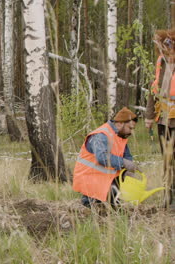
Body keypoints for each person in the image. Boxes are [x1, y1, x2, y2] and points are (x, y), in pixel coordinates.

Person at [73, 107, 139, 208]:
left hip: (106, 182)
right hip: (91, 181)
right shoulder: (101, 135)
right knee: (92, 210)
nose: (131, 132)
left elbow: (126, 155)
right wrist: (124, 163)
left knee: (114, 209)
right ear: (120, 123)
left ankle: (111, 203)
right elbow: (102, 158)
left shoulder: (121, 136)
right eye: (130, 128)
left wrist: (127, 170)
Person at [144, 29, 175, 208]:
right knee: (167, 159)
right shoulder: (160, 63)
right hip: (163, 119)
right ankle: (168, 196)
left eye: (167, 47)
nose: (164, 50)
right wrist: (149, 116)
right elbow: (153, 90)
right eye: (162, 47)